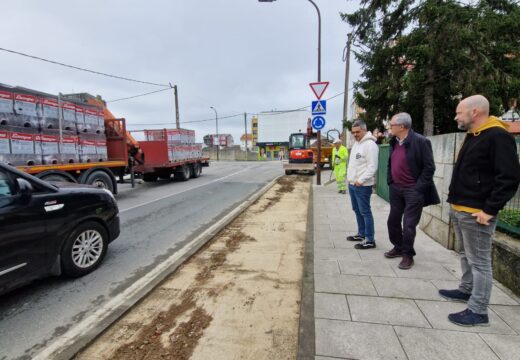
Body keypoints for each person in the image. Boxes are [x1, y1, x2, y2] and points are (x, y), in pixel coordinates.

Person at [440, 95, 520, 327]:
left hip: (477, 213)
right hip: (461, 208)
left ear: (475, 112)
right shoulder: (475, 135)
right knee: (466, 255)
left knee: (480, 262)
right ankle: (466, 289)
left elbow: (509, 178)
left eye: (459, 112)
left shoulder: (497, 136)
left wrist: (489, 209)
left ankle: (478, 310)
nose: (456, 116)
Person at [385, 113, 440, 270]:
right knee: (393, 221)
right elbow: (391, 163)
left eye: (392, 125)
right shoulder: (393, 142)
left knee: (408, 224)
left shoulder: (421, 142)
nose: (389, 128)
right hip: (396, 188)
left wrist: (418, 188)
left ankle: (408, 255)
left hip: (413, 190)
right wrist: (390, 181)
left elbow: (429, 167)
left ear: (402, 127)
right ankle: (399, 247)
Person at [346, 120, 379, 249]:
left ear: (365, 130)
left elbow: (372, 167)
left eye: (358, 132)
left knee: (365, 211)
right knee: (357, 210)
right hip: (353, 184)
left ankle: (370, 239)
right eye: (353, 132)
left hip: (362, 185)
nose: (355, 134)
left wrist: (361, 180)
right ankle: (361, 234)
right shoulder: (357, 144)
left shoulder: (370, 145)